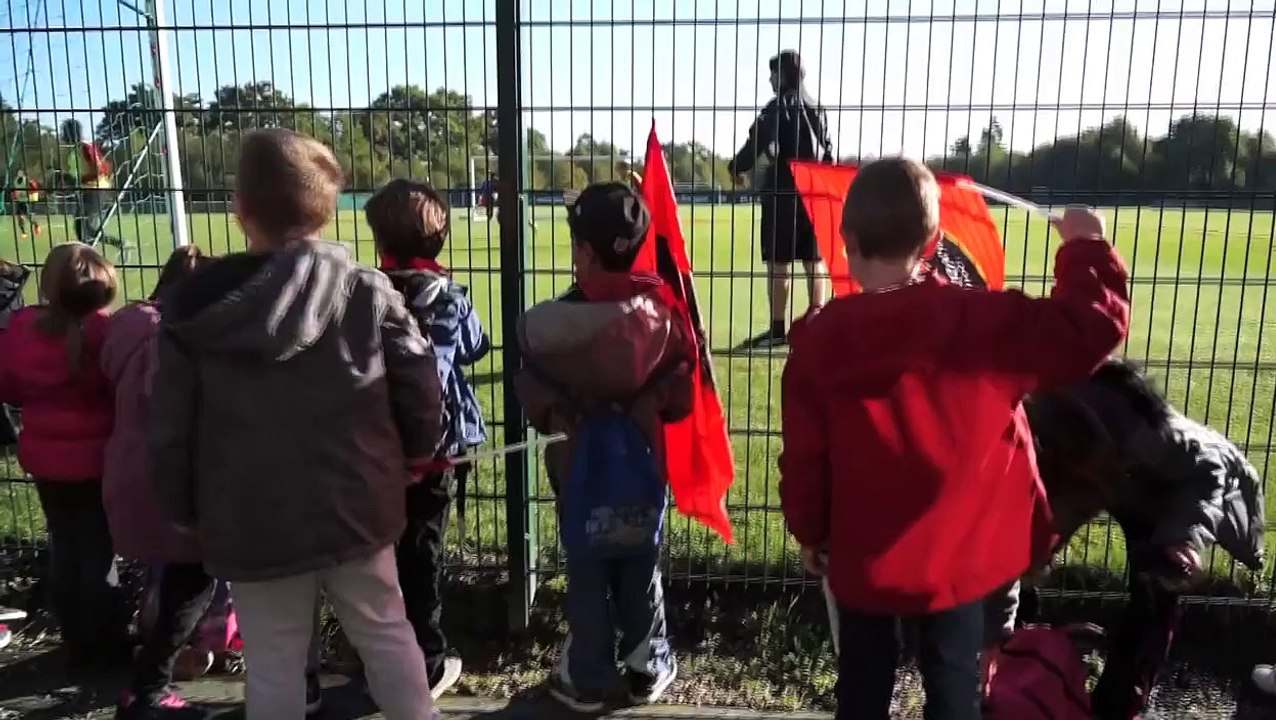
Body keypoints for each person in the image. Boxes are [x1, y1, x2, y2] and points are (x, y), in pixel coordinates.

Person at [778, 157, 1130, 720]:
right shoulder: (981, 323)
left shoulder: (819, 346)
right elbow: (1089, 327)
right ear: (936, 239)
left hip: (865, 559)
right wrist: (1086, 247)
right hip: (961, 557)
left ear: (845, 240)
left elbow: (806, 459)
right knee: (955, 685)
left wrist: (812, 532)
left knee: (863, 684)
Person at [150, 128, 445, 720]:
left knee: (276, 660)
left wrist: (181, 507)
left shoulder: (196, 311)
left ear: (240, 209)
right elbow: (419, 382)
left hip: (251, 515)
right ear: (329, 209)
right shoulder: (367, 290)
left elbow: (172, 423)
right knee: (388, 636)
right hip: (356, 506)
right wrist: (416, 455)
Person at [514, 182, 693, 712]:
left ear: (585, 251)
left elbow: (534, 398)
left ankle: (588, 673)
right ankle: (646, 662)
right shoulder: (665, 319)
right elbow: (681, 402)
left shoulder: (542, 326)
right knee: (641, 562)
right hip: (643, 472)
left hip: (577, 474)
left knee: (587, 568)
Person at [1005, 359, 1265, 720]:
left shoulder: (1157, 442)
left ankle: (1119, 705)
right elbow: (1054, 500)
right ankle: (1018, 667)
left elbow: (1207, 479)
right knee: (1017, 563)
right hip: (1102, 467)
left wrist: (1182, 541)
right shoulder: (1044, 415)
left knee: (1156, 589)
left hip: (1169, 494)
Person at [364, 179, 489, 699]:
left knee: (379, 556)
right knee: (422, 552)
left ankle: (381, 657)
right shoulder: (449, 296)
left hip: (374, 446)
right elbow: (475, 347)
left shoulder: (363, 292)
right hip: (437, 450)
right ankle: (428, 659)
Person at [0, 242, 128, 669]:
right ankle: (108, 641)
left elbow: (10, 388)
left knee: (65, 545)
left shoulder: (21, 328)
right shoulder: (104, 332)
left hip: (44, 456)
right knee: (98, 552)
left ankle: (75, 638)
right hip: (96, 459)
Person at [104, 245, 212, 718]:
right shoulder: (176, 342)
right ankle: (149, 687)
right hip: (172, 476)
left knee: (168, 573)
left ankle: (150, 665)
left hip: (128, 467)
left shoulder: (128, 330)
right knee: (194, 579)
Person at [728, 50, 834, 349]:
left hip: (783, 194)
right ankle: (819, 320)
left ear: (783, 75)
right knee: (814, 261)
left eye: (773, 74)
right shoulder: (819, 110)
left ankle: (777, 329)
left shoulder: (776, 109)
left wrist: (736, 167)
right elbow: (828, 152)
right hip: (815, 193)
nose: (770, 80)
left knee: (779, 262)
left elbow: (756, 142)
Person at [59, 119, 121, 249]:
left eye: (64, 132)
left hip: (95, 190)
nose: (62, 135)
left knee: (86, 228)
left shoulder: (85, 147)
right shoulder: (74, 151)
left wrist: (81, 180)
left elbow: (99, 170)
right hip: (86, 190)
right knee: (83, 227)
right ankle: (118, 244)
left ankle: (91, 256)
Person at [10, 170, 42, 238]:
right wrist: (13, 195)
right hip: (18, 201)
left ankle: (36, 225)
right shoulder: (16, 180)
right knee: (19, 217)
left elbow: (34, 188)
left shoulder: (27, 180)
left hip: (25, 201)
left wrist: (30, 191)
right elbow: (14, 189)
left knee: (28, 217)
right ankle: (23, 232)